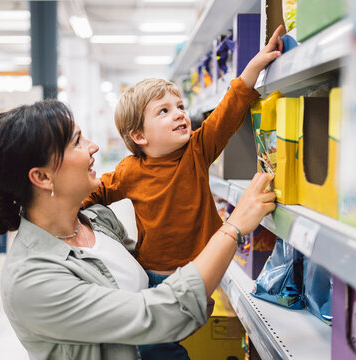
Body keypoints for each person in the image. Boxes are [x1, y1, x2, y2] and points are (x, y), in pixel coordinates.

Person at [0, 99, 276, 360]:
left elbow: (157, 283)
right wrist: (233, 227)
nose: (94, 147)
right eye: (78, 142)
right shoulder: (32, 281)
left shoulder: (96, 222)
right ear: (41, 176)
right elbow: (155, 314)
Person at [80, 25, 283, 358]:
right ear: (140, 136)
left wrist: (254, 66)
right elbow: (94, 192)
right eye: (164, 111)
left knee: (173, 334)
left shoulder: (198, 150)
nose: (179, 114)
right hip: (153, 274)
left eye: (179, 106)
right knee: (158, 346)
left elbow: (228, 111)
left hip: (202, 268)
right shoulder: (130, 170)